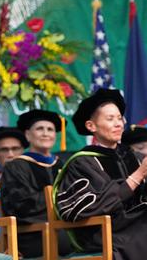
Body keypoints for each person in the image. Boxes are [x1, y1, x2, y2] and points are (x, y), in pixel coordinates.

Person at [55, 89, 147, 260]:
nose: (119, 124)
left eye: (120, 118)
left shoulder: (133, 156)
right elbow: (88, 209)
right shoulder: (82, 163)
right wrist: (138, 176)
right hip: (103, 233)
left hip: (136, 223)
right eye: (110, 119)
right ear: (91, 126)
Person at [0, 109, 72, 257]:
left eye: (50, 129)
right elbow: (20, 206)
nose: (46, 133)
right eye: (40, 129)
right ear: (28, 135)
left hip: (66, 228)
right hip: (33, 233)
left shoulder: (63, 165)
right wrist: (57, 200)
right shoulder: (16, 166)